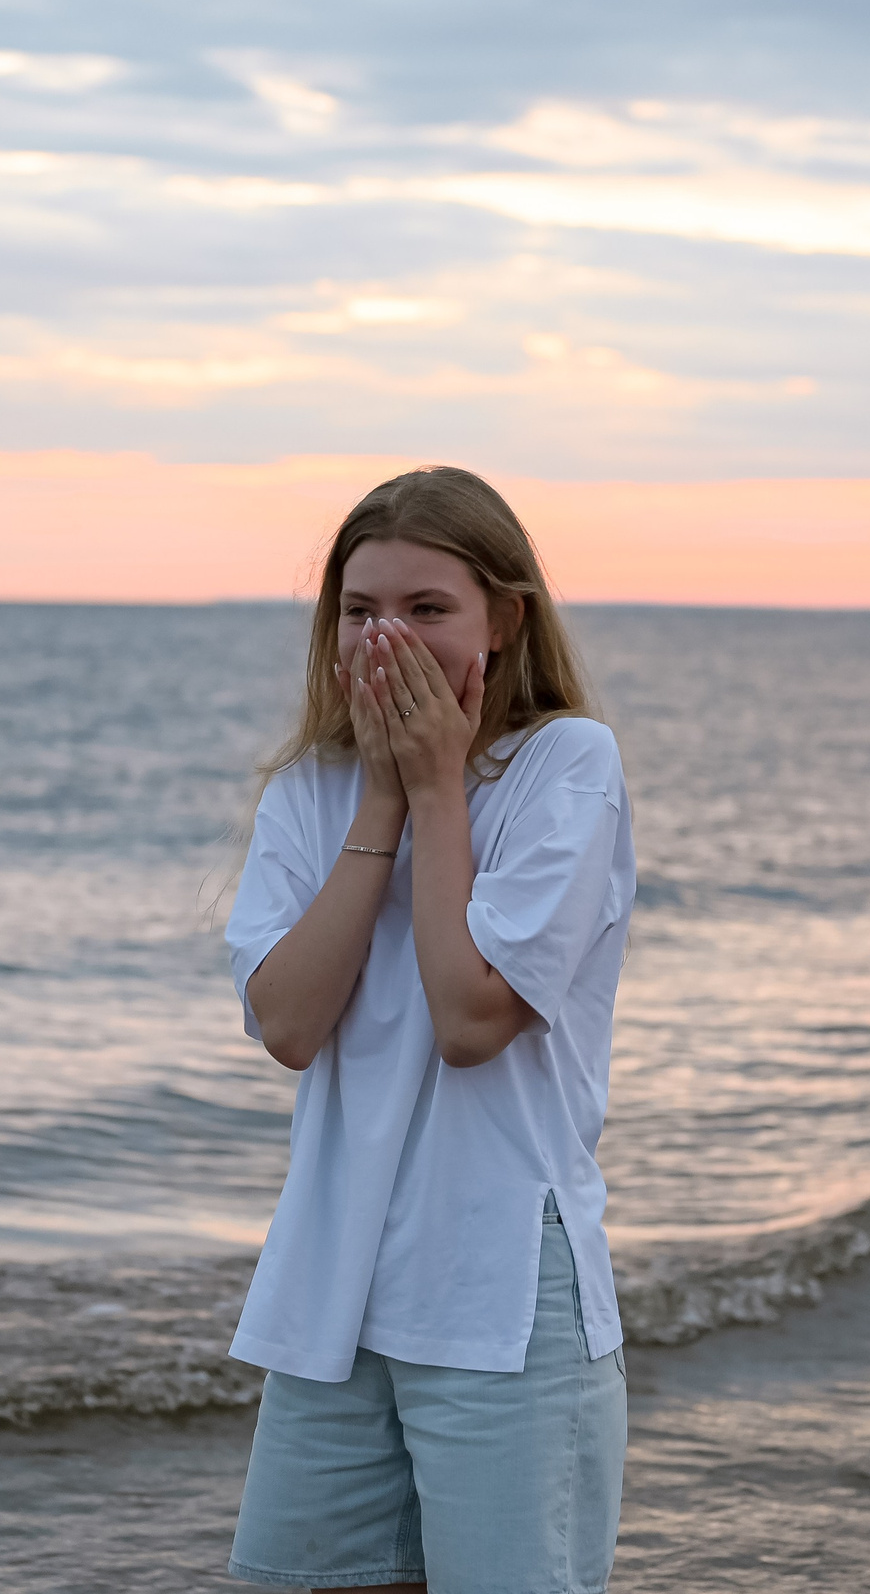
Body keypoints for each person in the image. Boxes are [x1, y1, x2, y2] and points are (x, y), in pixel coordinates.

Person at [223, 466, 635, 1594]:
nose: (385, 639)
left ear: (504, 619)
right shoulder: (311, 791)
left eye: (426, 610)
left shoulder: (566, 769)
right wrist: (384, 800)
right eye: (360, 612)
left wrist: (442, 789)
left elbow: (467, 1017)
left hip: (500, 1287)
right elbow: (290, 1024)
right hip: (333, 1287)